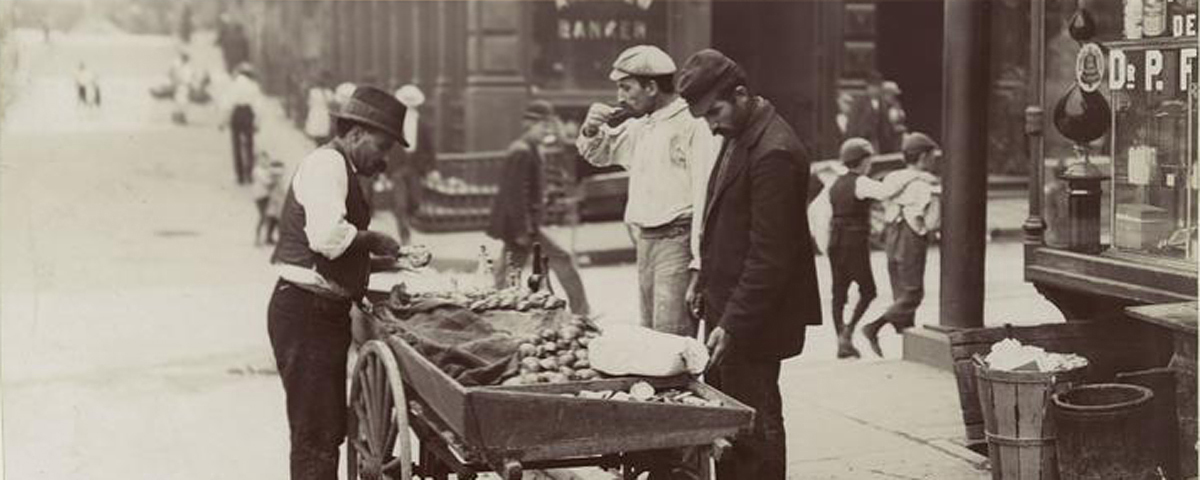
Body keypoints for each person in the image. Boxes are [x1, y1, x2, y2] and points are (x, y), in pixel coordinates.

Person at [677, 48, 822, 480]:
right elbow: (724, 218)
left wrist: (734, 323)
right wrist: (702, 277)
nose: (711, 124)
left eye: (714, 112)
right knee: (730, 424)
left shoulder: (774, 151)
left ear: (740, 94)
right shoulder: (742, 133)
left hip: (752, 322)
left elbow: (770, 257)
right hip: (729, 310)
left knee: (754, 428)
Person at [267, 86, 407, 480]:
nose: (383, 161)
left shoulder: (341, 168)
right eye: (382, 147)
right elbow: (327, 238)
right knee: (314, 435)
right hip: (304, 313)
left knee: (326, 430)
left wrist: (385, 261)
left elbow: (340, 253)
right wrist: (377, 240)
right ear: (357, 133)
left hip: (320, 313)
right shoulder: (328, 163)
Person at [576, 44, 717, 337]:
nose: (620, 97)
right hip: (646, 241)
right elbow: (600, 153)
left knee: (671, 339)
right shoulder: (642, 126)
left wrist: (699, 262)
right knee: (650, 337)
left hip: (677, 239)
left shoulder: (691, 124)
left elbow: (705, 194)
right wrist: (590, 129)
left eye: (626, 88)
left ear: (651, 87)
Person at [825, 138, 929, 358]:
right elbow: (885, 192)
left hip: (835, 240)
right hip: (854, 241)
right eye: (868, 159)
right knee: (868, 290)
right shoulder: (861, 182)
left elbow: (821, 212)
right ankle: (850, 330)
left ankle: (841, 341)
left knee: (838, 292)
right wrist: (914, 175)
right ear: (863, 161)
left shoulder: (835, 183)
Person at [487, 100, 591, 315]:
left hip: (523, 224)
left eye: (549, 126)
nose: (547, 131)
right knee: (560, 259)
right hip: (522, 226)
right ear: (528, 125)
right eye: (543, 126)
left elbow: (528, 188)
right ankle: (581, 312)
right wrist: (522, 229)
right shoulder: (522, 151)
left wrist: (546, 196)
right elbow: (514, 195)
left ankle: (492, 309)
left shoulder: (531, 149)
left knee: (508, 271)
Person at [862, 132, 941, 356]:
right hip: (910, 236)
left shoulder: (892, 178)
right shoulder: (925, 184)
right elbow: (932, 220)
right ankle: (873, 327)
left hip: (892, 235)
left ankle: (908, 342)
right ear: (924, 157)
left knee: (900, 291)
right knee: (913, 293)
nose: (934, 160)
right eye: (932, 155)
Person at [387, 84, 437, 245]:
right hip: (398, 167)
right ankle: (404, 235)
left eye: (411, 102)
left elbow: (430, 147)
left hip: (415, 166)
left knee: (415, 202)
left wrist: (433, 168)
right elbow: (386, 145)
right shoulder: (393, 122)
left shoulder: (423, 123)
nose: (408, 105)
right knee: (399, 204)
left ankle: (407, 220)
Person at [221, 62, 264, 185]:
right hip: (248, 113)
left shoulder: (233, 85)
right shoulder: (254, 86)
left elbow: (227, 104)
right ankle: (249, 174)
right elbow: (258, 106)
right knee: (249, 144)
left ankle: (239, 176)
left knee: (236, 145)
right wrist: (258, 122)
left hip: (236, 113)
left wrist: (223, 121)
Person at [846, 72, 896, 153]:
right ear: (868, 87)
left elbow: (886, 125)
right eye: (873, 87)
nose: (876, 90)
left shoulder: (883, 104)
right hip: (863, 140)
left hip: (879, 142)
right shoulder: (859, 103)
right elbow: (853, 124)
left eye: (878, 87)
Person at [252, 152, 288, 246]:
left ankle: (269, 238)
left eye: (265, 159)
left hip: (267, 196)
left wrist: (276, 175)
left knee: (274, 217)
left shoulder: (266, 170)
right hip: (260, 196)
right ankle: (258, 238)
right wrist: (276, 177)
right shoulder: (257, 170)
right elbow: (267, 182)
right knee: (264, 216)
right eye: (261, 160)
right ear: (257, 161)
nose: (264, 162)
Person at [304, 70, 335, 145]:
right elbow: (332, 105)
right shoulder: (329, 93)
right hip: (323, 115)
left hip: (315, 114)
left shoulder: (313, 92)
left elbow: (309, 103)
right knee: (323, 135)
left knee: (318, 135)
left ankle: (318, 147)